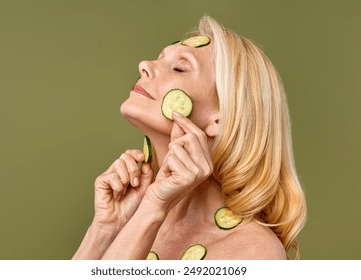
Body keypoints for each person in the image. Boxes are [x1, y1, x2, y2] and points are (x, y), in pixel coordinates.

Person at [72, 15, 307, 260]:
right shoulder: (129, 220)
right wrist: (103, 230)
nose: (144, 65)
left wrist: (153, 208)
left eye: (179, 68)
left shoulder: (253, 251)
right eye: (161, 57)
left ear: (221, 119)